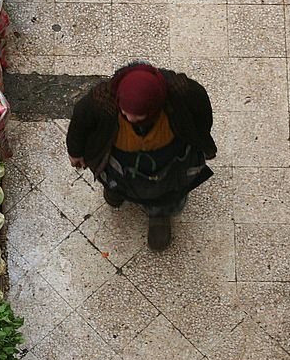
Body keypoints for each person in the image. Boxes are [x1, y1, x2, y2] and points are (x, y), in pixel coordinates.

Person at [66, 62, 217, 251]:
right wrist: (75, 151)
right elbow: (80, 123)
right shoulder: (103, 99)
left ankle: (159, 214)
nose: (130, 119)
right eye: (126, 112)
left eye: (139, 115)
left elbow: (202, 114)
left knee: (164, 191)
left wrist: (201, 140)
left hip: (168, 161)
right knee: (114, 177)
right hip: (118, 159)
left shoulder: (182, 92)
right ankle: (116, 191)